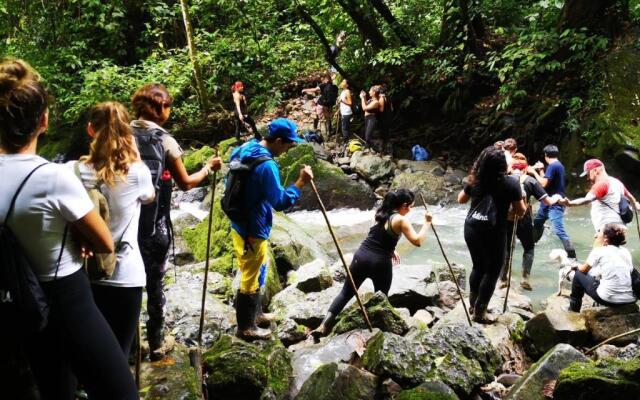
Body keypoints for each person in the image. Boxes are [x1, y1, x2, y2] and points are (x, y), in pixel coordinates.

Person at [0, 59, 138, 399]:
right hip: (66, 299)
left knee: (54, 390)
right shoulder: (53, 177)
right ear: (43, 121)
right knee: (120, 392)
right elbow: (104, 242)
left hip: (17, 303)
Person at [130, 83, 222, 360]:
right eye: (168, 105)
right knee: (154, 282)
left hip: (119, 225)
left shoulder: (118, 134)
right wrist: (208, 168)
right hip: (153, 224)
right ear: (161, 109)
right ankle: (156, 341)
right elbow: (185, 183)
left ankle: (131, 343)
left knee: (128, 284)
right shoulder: (164, 140)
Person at [69, 102, 155, 359]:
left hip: (84, 273)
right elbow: (149, 197)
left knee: (91, 357)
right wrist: (133, 153)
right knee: (119, 356)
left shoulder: (73, 172)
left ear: (90, 130)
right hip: (127, 274)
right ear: (127, 133)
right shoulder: (138, 173)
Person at [227, 118, 313, 340]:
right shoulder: (267, 165)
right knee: (250, 273)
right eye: (288, 144)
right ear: (277, 140)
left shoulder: (245, 148)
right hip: (252, 227)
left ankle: (257, 315)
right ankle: (246, 327)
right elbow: (280, 201)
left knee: (257, 268)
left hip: (240, 221)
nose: (288, 149)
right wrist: (301, 182)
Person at [311, 189, 432, 337]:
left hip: (360, 257)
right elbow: (417, 241)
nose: (411, 209)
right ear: (404, 205)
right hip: (380, 263)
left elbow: (376, 235)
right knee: (381, 298)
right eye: (411, 206)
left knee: (345, 293)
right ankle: (378, 332)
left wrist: (391, 249)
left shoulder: (379, 212)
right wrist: (427, 223)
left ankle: (324, 325)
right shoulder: (400, 220)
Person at [458, 146, 526, 323]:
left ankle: (473, 304)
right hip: (495, 231)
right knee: (493, 269)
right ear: (502, 165)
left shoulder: (475, 180)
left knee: (478, 266)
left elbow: (461, 199)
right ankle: (480, 312)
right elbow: (520, 211)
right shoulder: (511, 183)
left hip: (472, 227)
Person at [499, 153, 559, 291]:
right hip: (523, 218)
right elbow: (547, 201)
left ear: (510, 168)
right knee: (529, 247)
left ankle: (503, 279)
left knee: (506, 248)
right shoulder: (530, 181)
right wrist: (557, 198)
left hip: (505, 219)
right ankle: (525, 279)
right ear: (525, 169)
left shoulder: (503, 180)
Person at [559, 159, 640, 234]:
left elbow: (587, 200)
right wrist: (636, 205)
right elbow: (632, 198)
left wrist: (569, 203)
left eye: (588, 174)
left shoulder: (601, 184)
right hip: (621, 229)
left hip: (607, 230)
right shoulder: (617, 182)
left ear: (595, 170)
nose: (587, 178)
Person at [568, 223, 637, 312]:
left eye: (599, 232)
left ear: (605, 238)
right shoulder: (626, 252)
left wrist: (577, 265)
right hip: (629, 299)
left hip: (608, 299)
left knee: (578, 274)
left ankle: (573, 309)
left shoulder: (599, 251)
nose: (595, 235)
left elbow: (583, 270)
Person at [527, 144, 577, 260]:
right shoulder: (556, 165)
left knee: (559, 230)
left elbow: (543, 184)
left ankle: (572, 256)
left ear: (546, 155)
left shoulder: (553, 166)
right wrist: (540, 170)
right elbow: (546, 182)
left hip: (555, 203)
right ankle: (531, 245)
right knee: (538, 222)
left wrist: (533, 172)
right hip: (548, 201)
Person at [302, 73, 338, 139]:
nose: (321, 80)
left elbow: (315, 89)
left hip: (322, 105)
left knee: (316, 116)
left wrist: (305, 90)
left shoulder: (323, 85)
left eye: (322, 79)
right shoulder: (334, 87)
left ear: (325, 79)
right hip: (329, 105)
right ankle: (329, 132)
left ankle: (315, 130)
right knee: (328, 118)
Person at [360, 85, 382, 150]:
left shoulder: (376, 102)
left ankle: (377, 148)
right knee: (366, 135)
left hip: (372, 118)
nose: (369, 92)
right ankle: (368, 149)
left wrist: (361, 98)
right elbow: (365, 103)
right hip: (367, 118)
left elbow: (364, 108)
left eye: (370, 90)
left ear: (374, 92)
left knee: (368, 136)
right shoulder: (371, 100)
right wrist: (364, 97)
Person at [378, 84, 394, 155]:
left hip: (383, 118)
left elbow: (381, 110)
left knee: (383, 134)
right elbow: (392, 109)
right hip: (389, 117)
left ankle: (382, 151)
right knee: (387, 134)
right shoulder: (389, 97)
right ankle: (389, 151)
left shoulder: (381, 99)